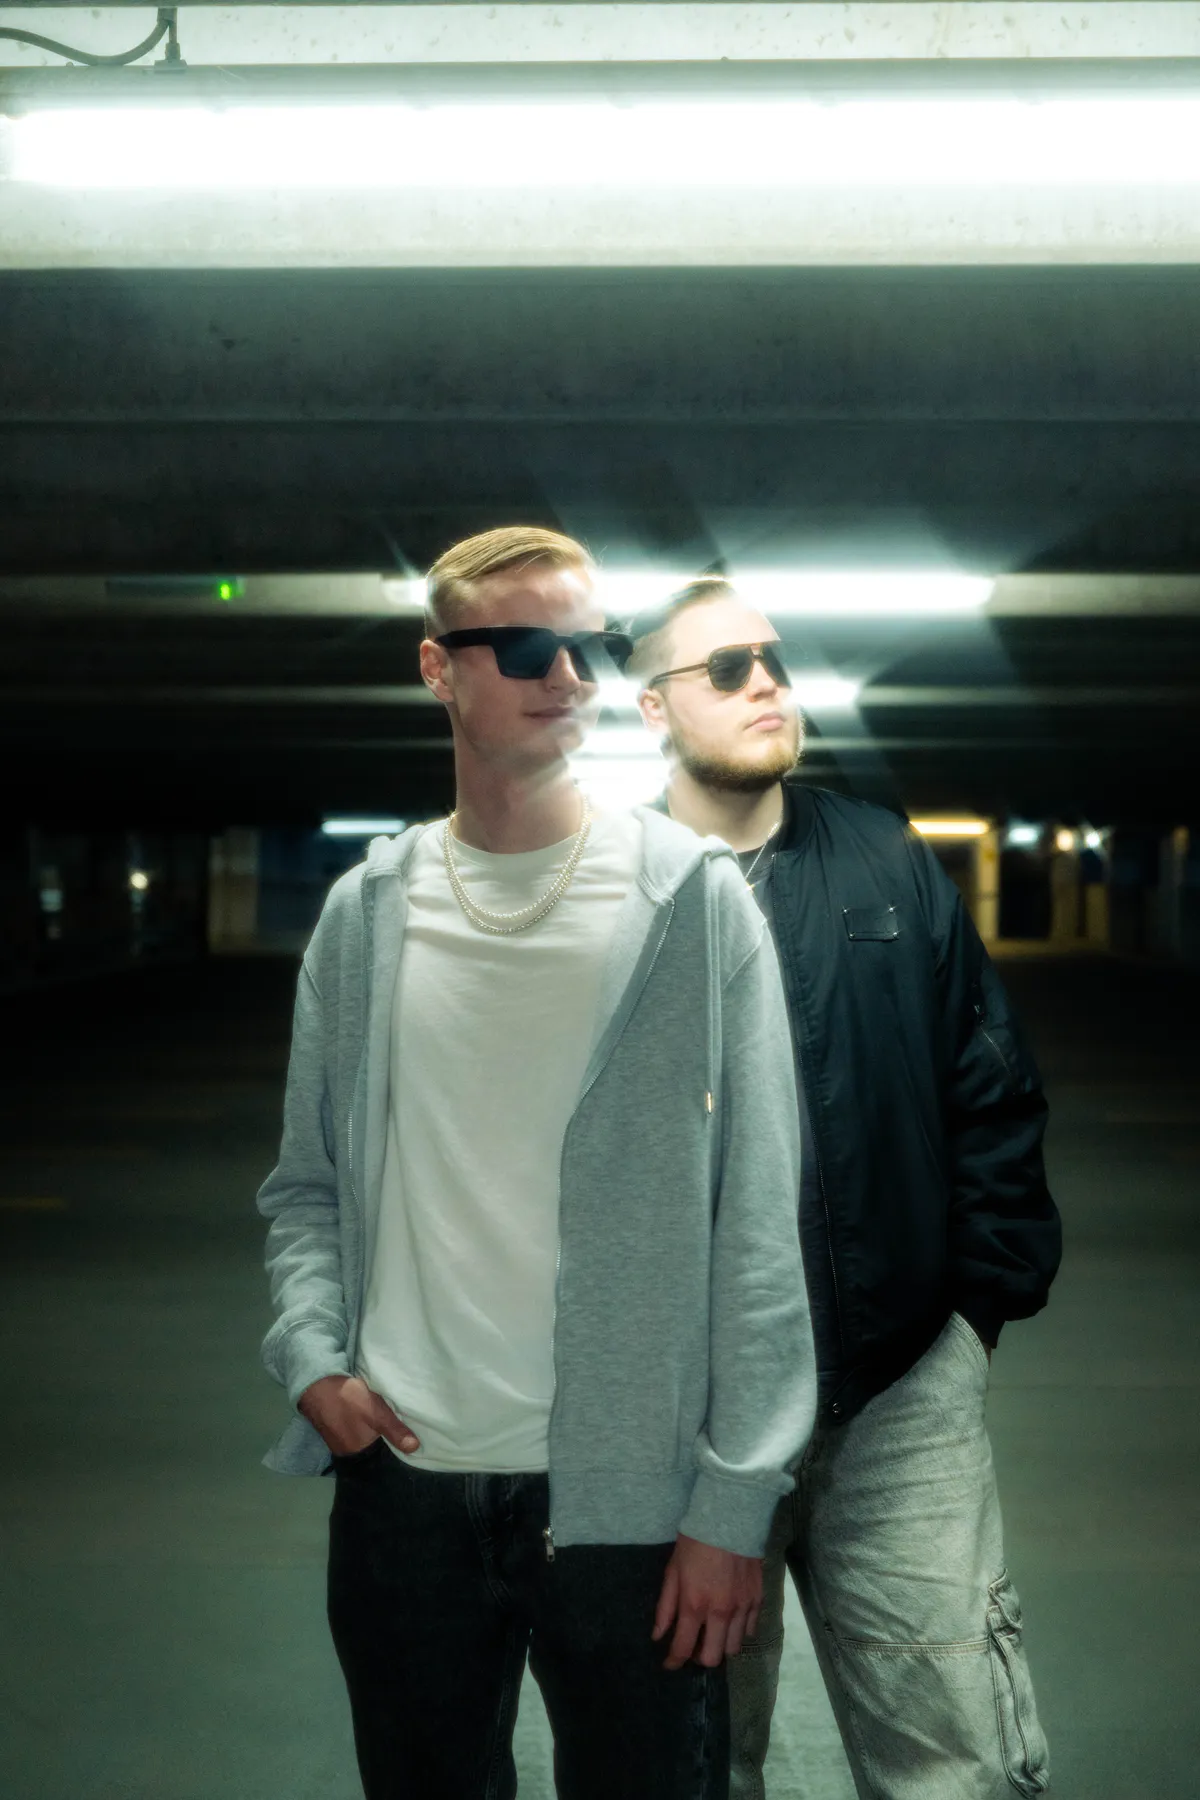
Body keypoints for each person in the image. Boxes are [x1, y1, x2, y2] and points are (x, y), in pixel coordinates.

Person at [256, 529, 817, 1800]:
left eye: (591, 648)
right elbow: (307, 1186)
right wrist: (314, 1361)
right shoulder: (367, 915)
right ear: (437, 670)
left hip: (630, 1504)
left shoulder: (691, 902)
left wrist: (733, 1506)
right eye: (523, 648)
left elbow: (754, 1223)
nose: (568, 676)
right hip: (406, 1488)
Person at [625, 578, 1062, 1800]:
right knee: (692, 1763)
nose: (765, 683)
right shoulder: (612, 891)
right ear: (653, 706)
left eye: (772, 659)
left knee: (958, 1764)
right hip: (693, 1421)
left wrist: (969, 1326)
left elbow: (991, 1090)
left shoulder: (885, 860)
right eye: (725, 669)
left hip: (899, 1399)